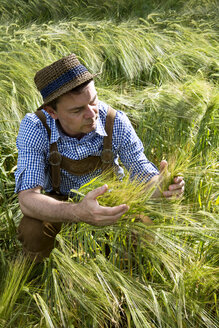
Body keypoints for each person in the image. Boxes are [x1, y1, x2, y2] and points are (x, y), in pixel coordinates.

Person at [15, 53, 185, 262]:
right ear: (52, 111)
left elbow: (142, 171)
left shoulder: (115, 121)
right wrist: (78, 211)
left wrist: (161, 186)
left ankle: (124, 274)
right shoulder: (36, 127)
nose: (92, 114)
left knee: (143, 228)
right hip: (57, 203)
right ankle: (35, 277)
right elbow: (28, 199)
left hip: (109, 200)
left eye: (93, 101)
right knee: (32, 229)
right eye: (78, 110)